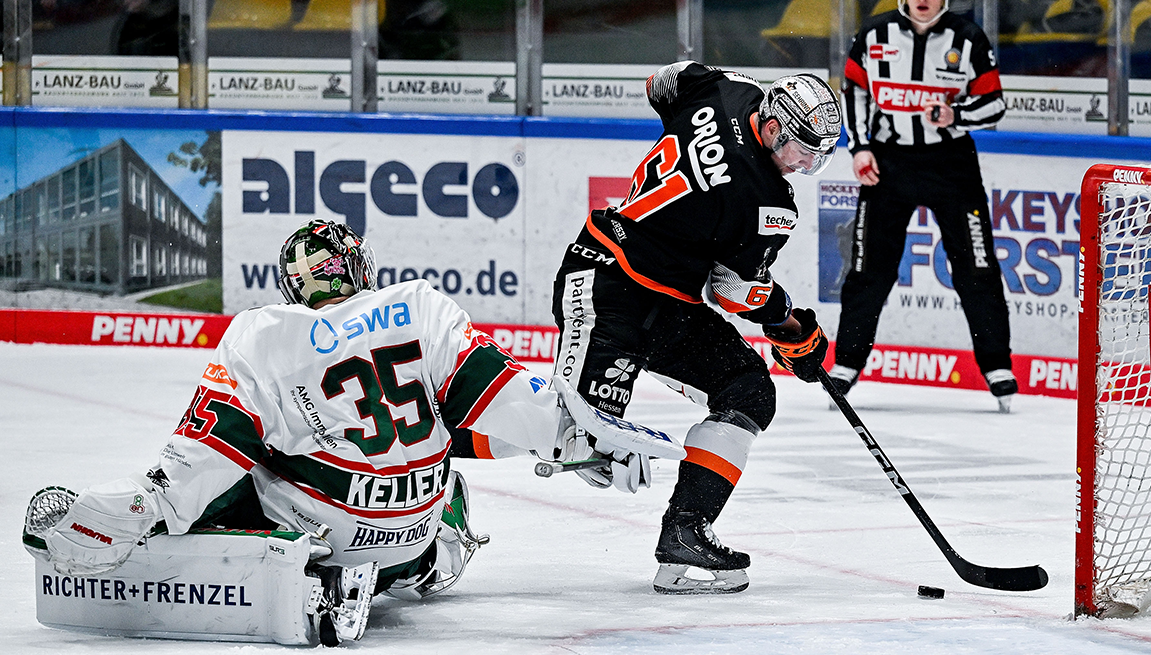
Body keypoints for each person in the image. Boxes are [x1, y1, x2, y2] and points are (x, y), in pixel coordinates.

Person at [24, 219, 668, 646]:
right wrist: (578, 446)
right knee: (444, 455)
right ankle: (424, 559)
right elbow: (494, 404)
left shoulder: (263, 332)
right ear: (357, 267)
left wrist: (143, 501)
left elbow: (213, 447)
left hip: (325, 530)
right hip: (411, 538)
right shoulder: (420, 306)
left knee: (241, 471)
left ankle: (295, 564)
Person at [552, 61, 838, 594]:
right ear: (774, 127)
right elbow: (730, 291)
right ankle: (421, 464)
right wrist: (789, 325)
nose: (807, 162)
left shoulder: (727, 89)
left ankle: (686, 530)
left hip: (647, 295)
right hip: (611, 291)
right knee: (572, 439)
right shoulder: (771, 204)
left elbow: (663, 81)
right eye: (803, 147)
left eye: (820, 152)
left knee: (748, 389)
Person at [833, 0, 1016, 412]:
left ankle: (997, 365)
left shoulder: (969, 38)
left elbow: (995, 103)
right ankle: (847, 364)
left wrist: (957, 112)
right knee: (868, 267)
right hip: (888, 164)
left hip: (950, 165)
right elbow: (853, 90)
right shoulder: (874, 36)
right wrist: (860, 148)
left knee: (976, 266)